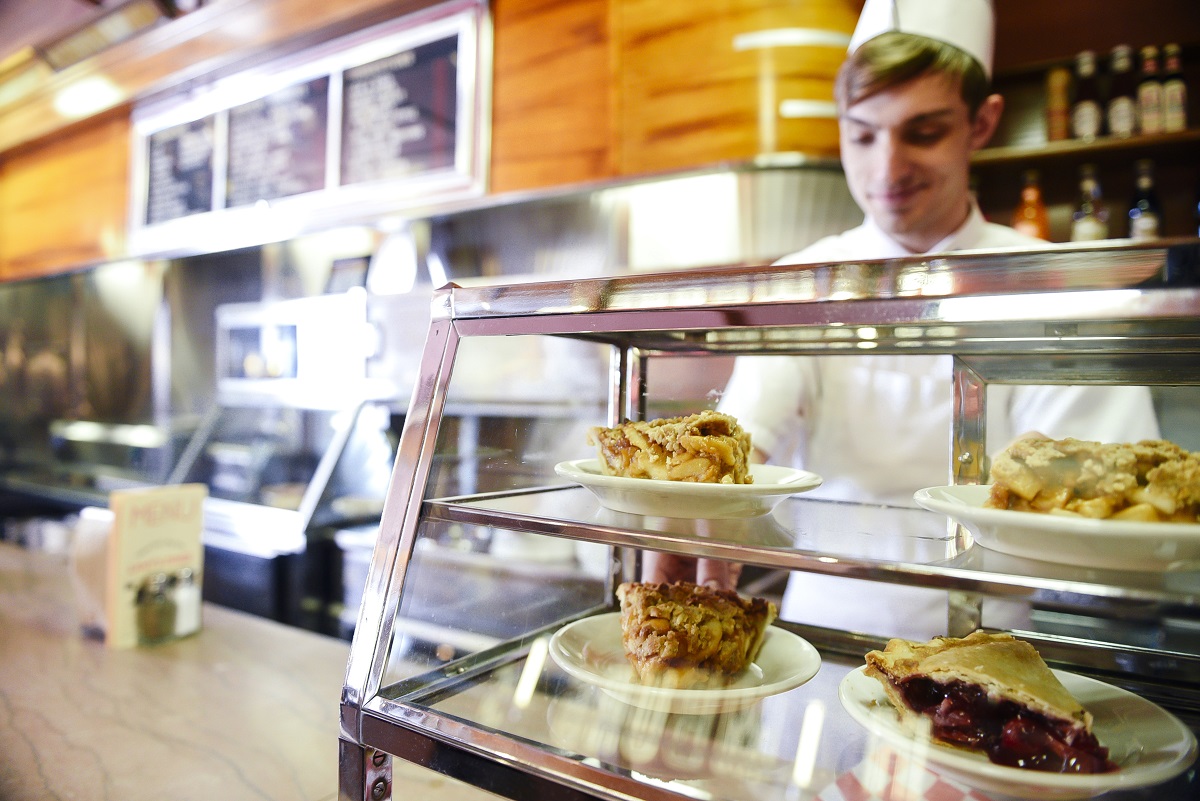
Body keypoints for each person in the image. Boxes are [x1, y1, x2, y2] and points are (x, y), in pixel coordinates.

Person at [645, 0, 1160, 640]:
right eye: (862, 135)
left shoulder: (1065, 290)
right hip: (815, 651)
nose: (886, 169)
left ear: (982, 122)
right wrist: (700, 514)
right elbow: (746, 445)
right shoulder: (806, 282)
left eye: (923, 132)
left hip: (990, 659)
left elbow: (1099, 504)